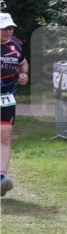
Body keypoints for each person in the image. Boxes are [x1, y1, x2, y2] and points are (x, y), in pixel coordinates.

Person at [1, 13, 29, 197]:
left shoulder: (17, 45)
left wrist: (23, 75)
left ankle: (1, 178)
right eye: (4, 28)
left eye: (10, 28)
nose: (8, 32)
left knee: (5, 136)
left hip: (6, 97)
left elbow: (22, 64)